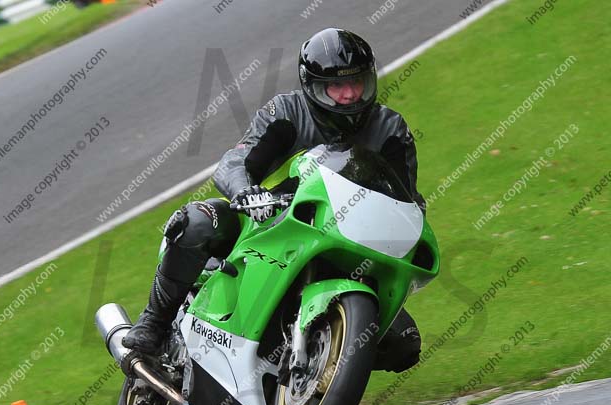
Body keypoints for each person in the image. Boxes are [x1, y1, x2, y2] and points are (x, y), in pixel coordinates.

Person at [123, 28, 426, 373]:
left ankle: (323, 365)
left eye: (357, 83)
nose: (350, 95)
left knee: (404, 342)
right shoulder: (287, 112)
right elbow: (235, 162)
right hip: (271, 218)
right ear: (313, 87)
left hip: (347, 242)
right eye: (336, 86)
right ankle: (154, 321)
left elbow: (406, 200)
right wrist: (246, 192)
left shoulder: (390, 130)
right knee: (196, 222)